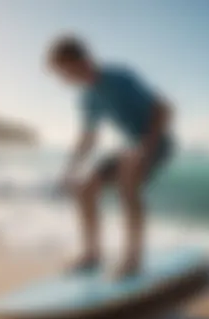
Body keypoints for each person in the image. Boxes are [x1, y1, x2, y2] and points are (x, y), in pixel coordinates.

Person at [47, 34, 173, 278]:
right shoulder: (88, 97)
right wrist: (69, 169)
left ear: (77, 62)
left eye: (62, 71)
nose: (62, 79)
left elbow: (164, 109)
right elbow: (88, 138)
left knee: (128, 179)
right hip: (130, 148)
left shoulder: (119, 78)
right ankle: (92, 255)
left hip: (157, 143)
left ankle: (133, 259)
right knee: (84, 189)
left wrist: (145, 148)